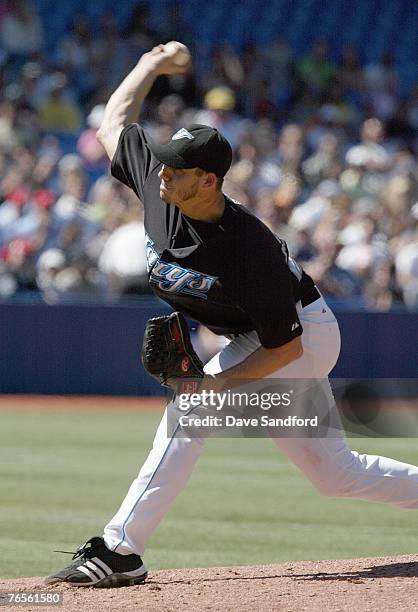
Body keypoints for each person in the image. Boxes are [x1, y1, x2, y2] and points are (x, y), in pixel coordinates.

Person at [47, 43, 418, 588]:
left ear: (210, 181)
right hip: (260, 338)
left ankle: (120, 549)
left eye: (178, 172)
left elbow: (286, 348)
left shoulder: (248, 250)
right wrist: (150, 65)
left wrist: (212, 384)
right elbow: (114, 123)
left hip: (300, 337)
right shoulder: (162, 190)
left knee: (187, 413)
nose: (163, 178)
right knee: (336, 475)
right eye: (165, 168)